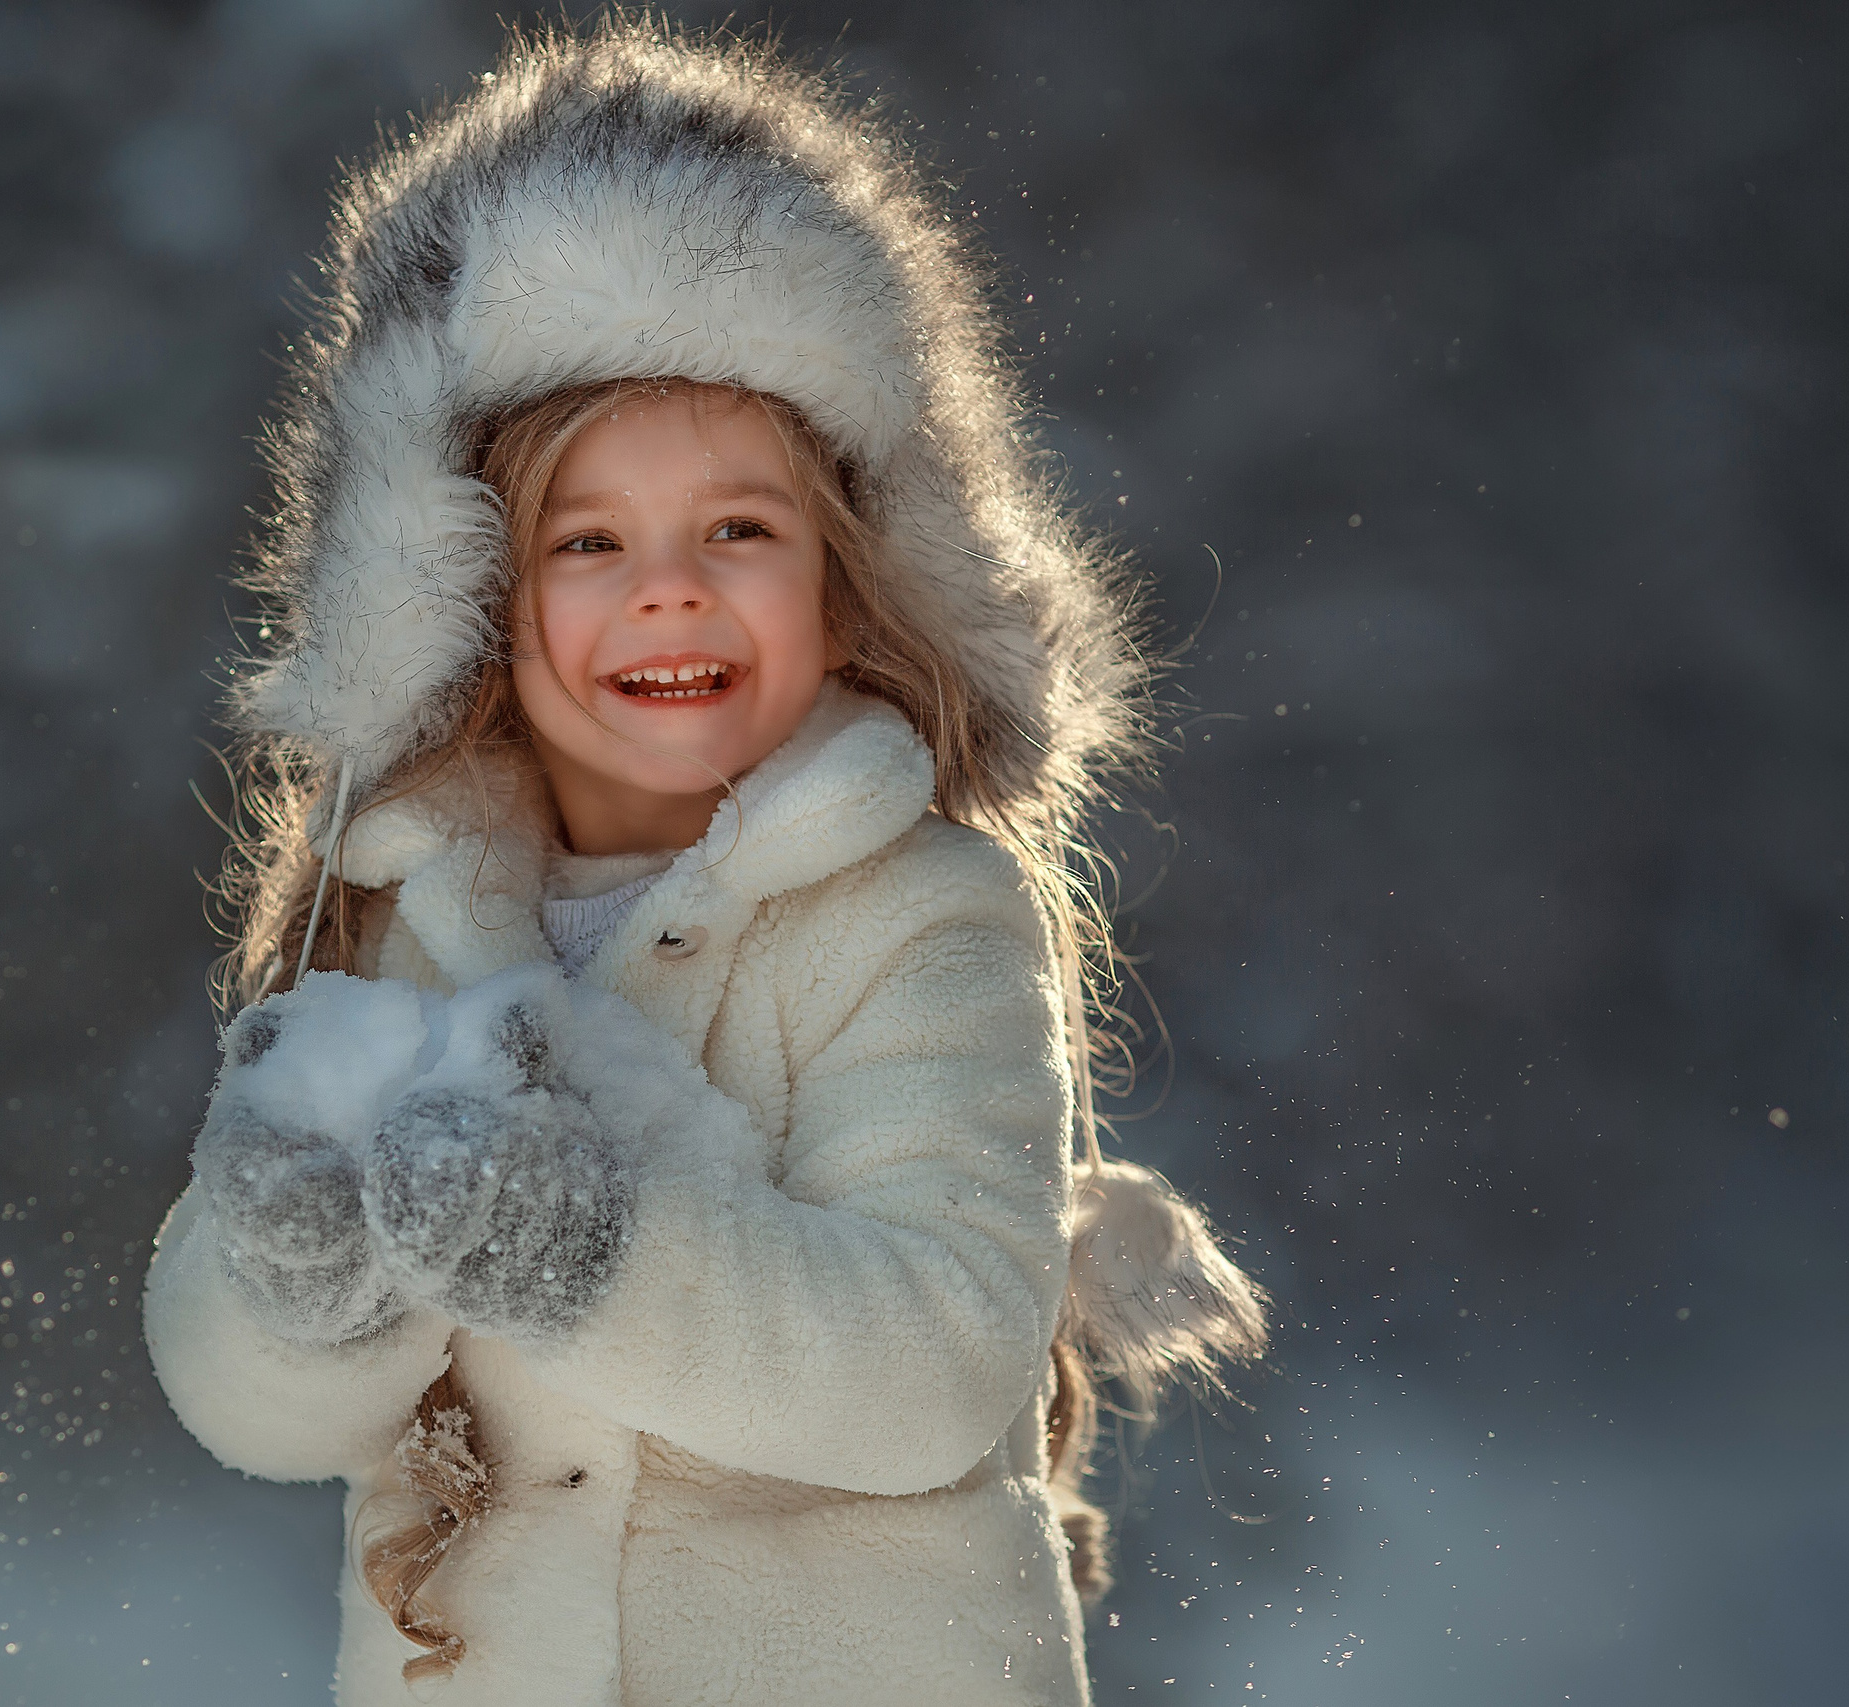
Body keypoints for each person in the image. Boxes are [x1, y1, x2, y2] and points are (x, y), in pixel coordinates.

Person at [142, 18, 1264, 1705]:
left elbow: (932, 1362)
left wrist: (587, 1255)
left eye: (737, 527)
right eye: (588, 542)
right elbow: (259, 1412)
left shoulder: (917, 915)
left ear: (848, 573)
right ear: (462, 602)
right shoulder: (407, 911)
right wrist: (299, 1281)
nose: (668, 588)